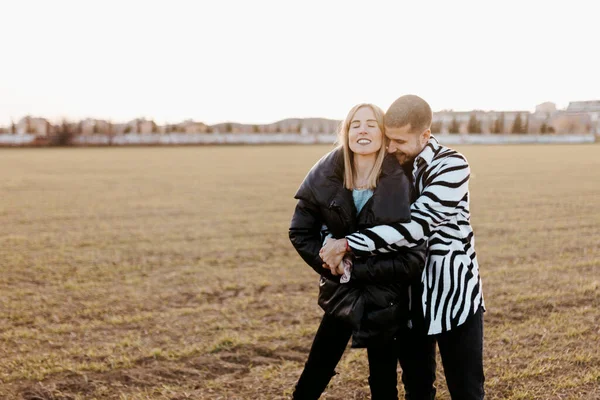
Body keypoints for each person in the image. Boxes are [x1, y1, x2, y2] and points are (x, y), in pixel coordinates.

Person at [320, 95, 485, 400]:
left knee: (467, 391)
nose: (392, 148)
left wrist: (346, 245)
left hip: (454, 295)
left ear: (425, 135)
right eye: (389, 139)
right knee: (417, 390)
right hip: (409, 297)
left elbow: (417, 227)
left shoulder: (452, 165)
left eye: (400, 140)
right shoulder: (391, 166)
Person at [289, 103, 427, 399]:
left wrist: (353, 268)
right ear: (347, 133)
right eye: (355, 124)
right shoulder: (324, 176)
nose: (362, 129)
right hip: (340, 293)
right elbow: (300, 231)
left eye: (371, 124)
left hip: (387, 299)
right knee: (314, 373)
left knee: (383, 381)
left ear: (383, 135)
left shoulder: (403, 181)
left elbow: (413, 256)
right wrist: (330, 265)